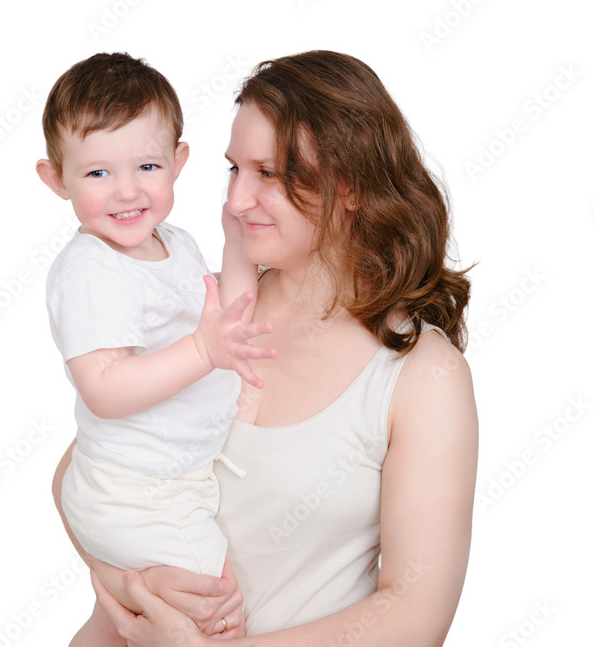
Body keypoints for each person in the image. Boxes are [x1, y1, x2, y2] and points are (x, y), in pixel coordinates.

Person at [53, 50, 479, 646]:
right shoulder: (207, 311)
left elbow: (415, 616)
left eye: (269, 174)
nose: (235, 200)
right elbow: (78, 473)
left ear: (350, 188)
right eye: (234, 169)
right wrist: (133, 582)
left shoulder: (421, 375)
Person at [36, 53, 276, 643]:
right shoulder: (91, 270)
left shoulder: (175, 243)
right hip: (136, 490)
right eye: (97, 173)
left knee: (127, 621)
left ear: (178, 162)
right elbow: (104, 389)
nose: (126, 191)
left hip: (172, 480)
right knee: (218, 615)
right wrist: (201, 351)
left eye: (146, 166)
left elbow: (228, 315)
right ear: (56, 179)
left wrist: (237, 244)